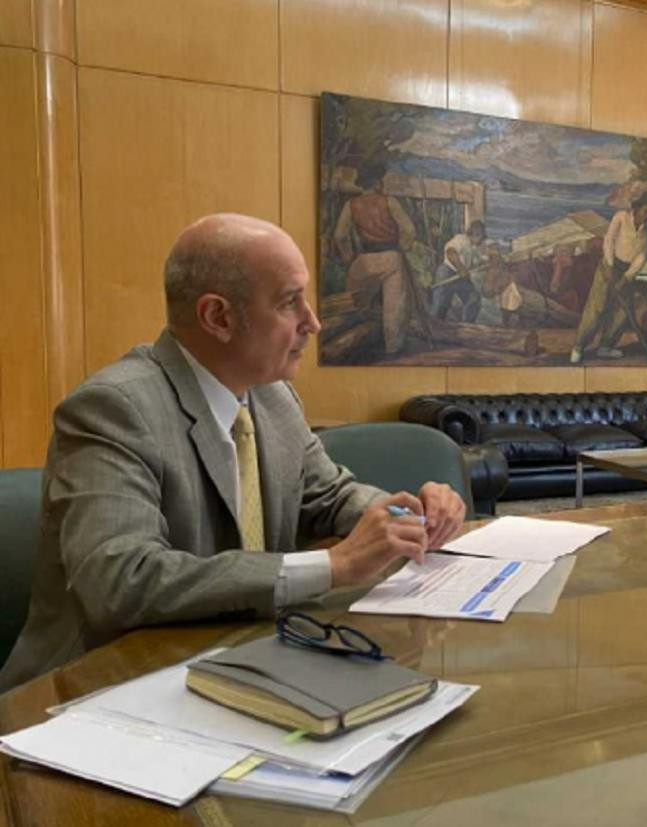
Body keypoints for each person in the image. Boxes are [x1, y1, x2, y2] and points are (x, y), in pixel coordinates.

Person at [0, 214, 465, 691]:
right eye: (290, 302)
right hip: (95, 692)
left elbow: (328, 494)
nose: (314, 322)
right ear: (218, 317)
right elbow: (120, 580)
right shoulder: (114, 409)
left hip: (239, 666)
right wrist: (334, 567)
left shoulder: (272, 396)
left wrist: (405, 518)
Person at [332, 164, 419, 355]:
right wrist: (403, 248)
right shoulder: (390, 202)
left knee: (355, 305)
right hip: (390, 258)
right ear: (378, 183)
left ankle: (352, 348)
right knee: (394, 310)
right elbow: (410, 230)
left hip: (364, 261)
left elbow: (339, 236)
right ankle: (392, 351)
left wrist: (349, 259)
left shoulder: (351, 205)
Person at [569, 191, 647, 363]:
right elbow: (608, 240)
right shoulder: (621, 217)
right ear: (637, 208)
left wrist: (626, 278)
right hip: (609, 265)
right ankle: (578, 346)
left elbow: (641, 258)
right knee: (597, 308)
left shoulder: (646, 235)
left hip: (626, 273)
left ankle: (605, 346)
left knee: (621, 312)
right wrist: (609, 266)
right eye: (645, 211)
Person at [431, 220, 486, 323]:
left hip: (460, 277)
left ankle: (467, 326)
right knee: (441, 303)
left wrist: (481, 264)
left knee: (473, 298)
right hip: (447, 273)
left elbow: (475, 262)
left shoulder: (473, 247)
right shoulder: (461, 240)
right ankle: (435, 326)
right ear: (476, 234)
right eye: (481, 237)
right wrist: (461, 268)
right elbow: (450, 252)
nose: (481, 241)